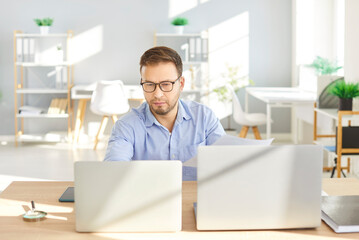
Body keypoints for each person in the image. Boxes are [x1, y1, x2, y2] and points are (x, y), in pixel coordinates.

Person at [104, 46, 225, 163]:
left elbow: (227, 161)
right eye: (149, 84)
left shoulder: (204, 117)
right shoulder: (126, 126)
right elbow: (114, 168)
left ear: (181, 84)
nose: (157, 94)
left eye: (166, 84)